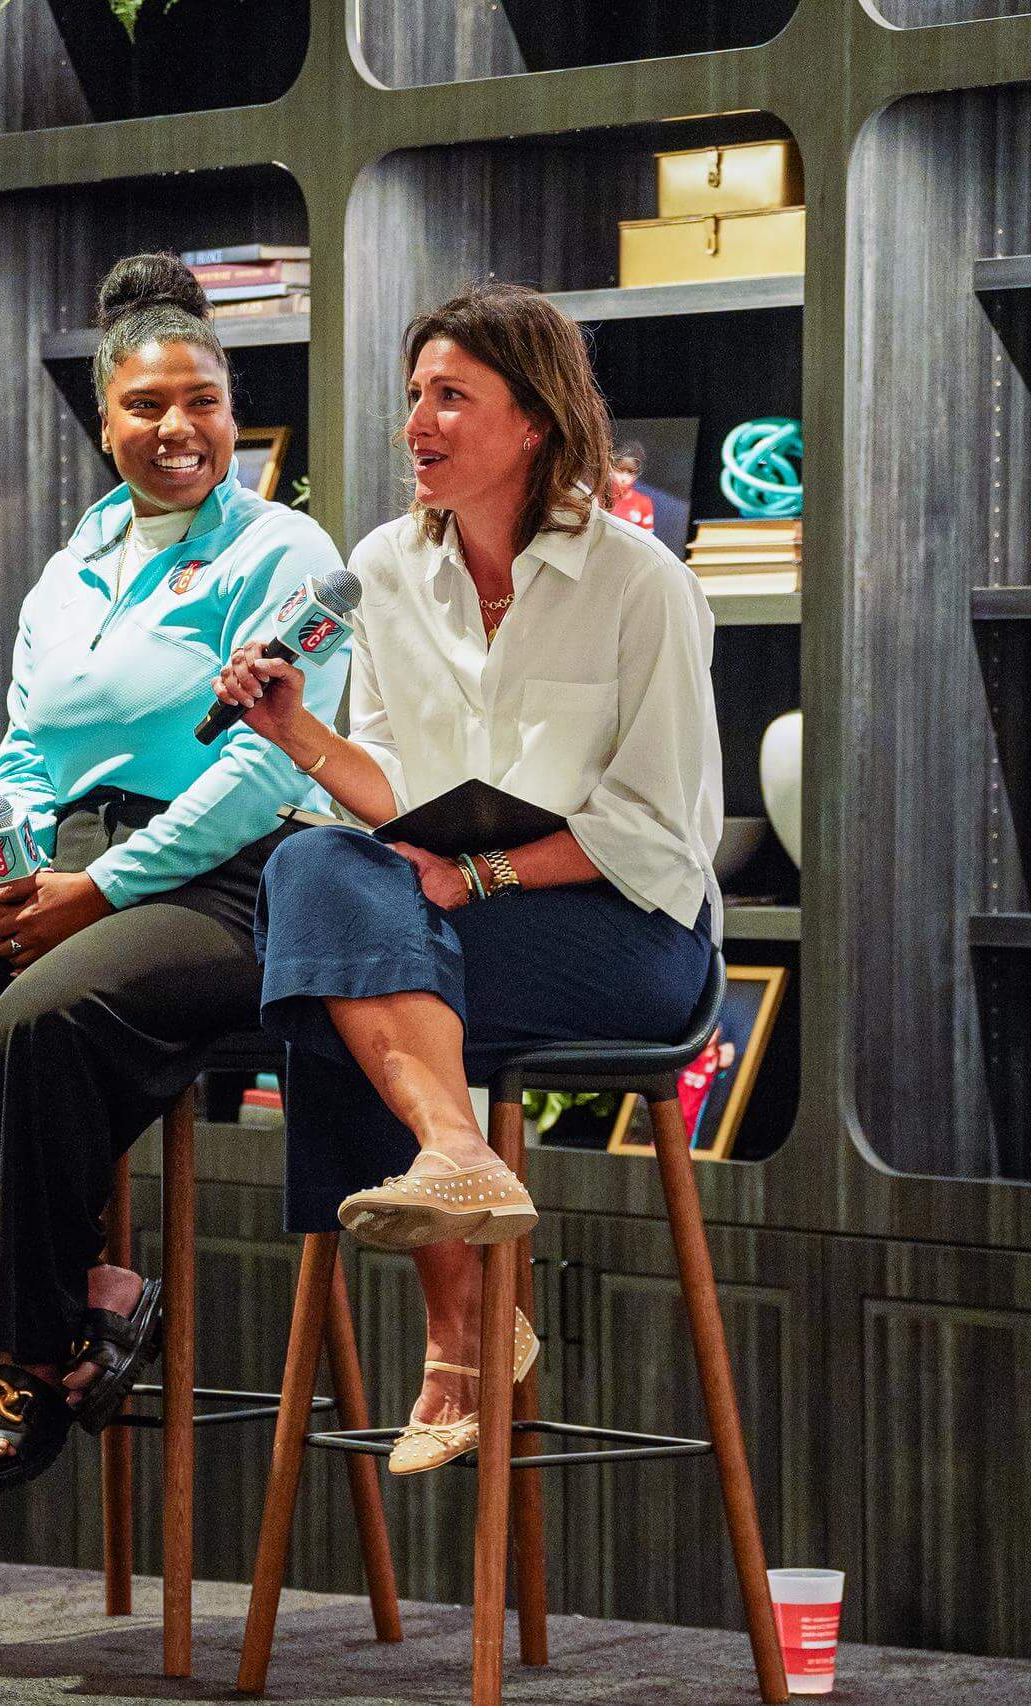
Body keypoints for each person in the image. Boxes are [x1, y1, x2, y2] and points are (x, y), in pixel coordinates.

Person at [0, 256, 352, 1492]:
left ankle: (30, 1353)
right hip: (72, 863)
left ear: (232, 408)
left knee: (38, 1017)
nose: (178, 430)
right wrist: (13, 870)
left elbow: (267, 773)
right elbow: (23, 746)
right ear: (105, 418)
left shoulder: (285, 551)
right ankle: (63, 1299)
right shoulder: (74, 564)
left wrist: (102, 892)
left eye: (204, 402)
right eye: (147, 406)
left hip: (234, 877)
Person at [213, 281, 721, 1476]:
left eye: (451, 396)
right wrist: (302, 738)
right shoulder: (387, 566)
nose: (417, 423)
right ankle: (459, 1160)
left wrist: (483, 872)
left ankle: (461, 1330)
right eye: (412, 398)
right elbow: (393, 780)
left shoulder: (640, 581)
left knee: (338, 981)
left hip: (623, 929)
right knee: (314, 863)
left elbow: (656, 828)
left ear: (532, 419)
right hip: (450, 914)